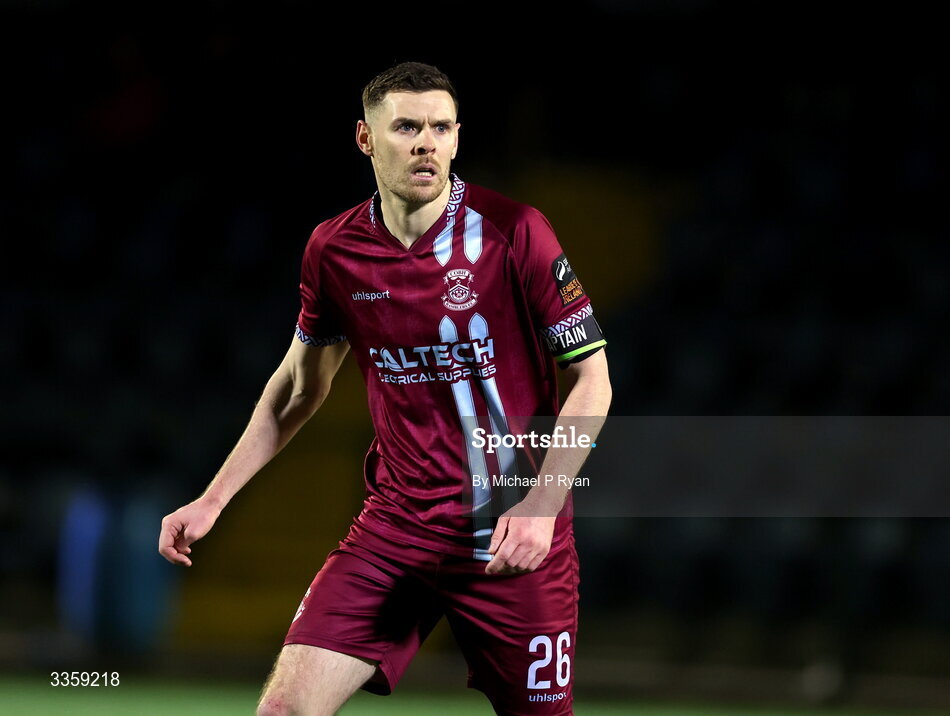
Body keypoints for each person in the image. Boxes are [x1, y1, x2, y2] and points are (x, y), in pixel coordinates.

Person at [158, 61, 611, 716]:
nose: (426, 142)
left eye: (441, 127)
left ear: (457, 138)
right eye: (406, 127)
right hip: (396, 532)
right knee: (282, 711)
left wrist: (542, 504)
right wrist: (213, 499)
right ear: (366, 139)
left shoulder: (517, 233)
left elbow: (592, 380)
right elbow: (295, 390)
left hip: (510, 533)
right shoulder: (334, 250)